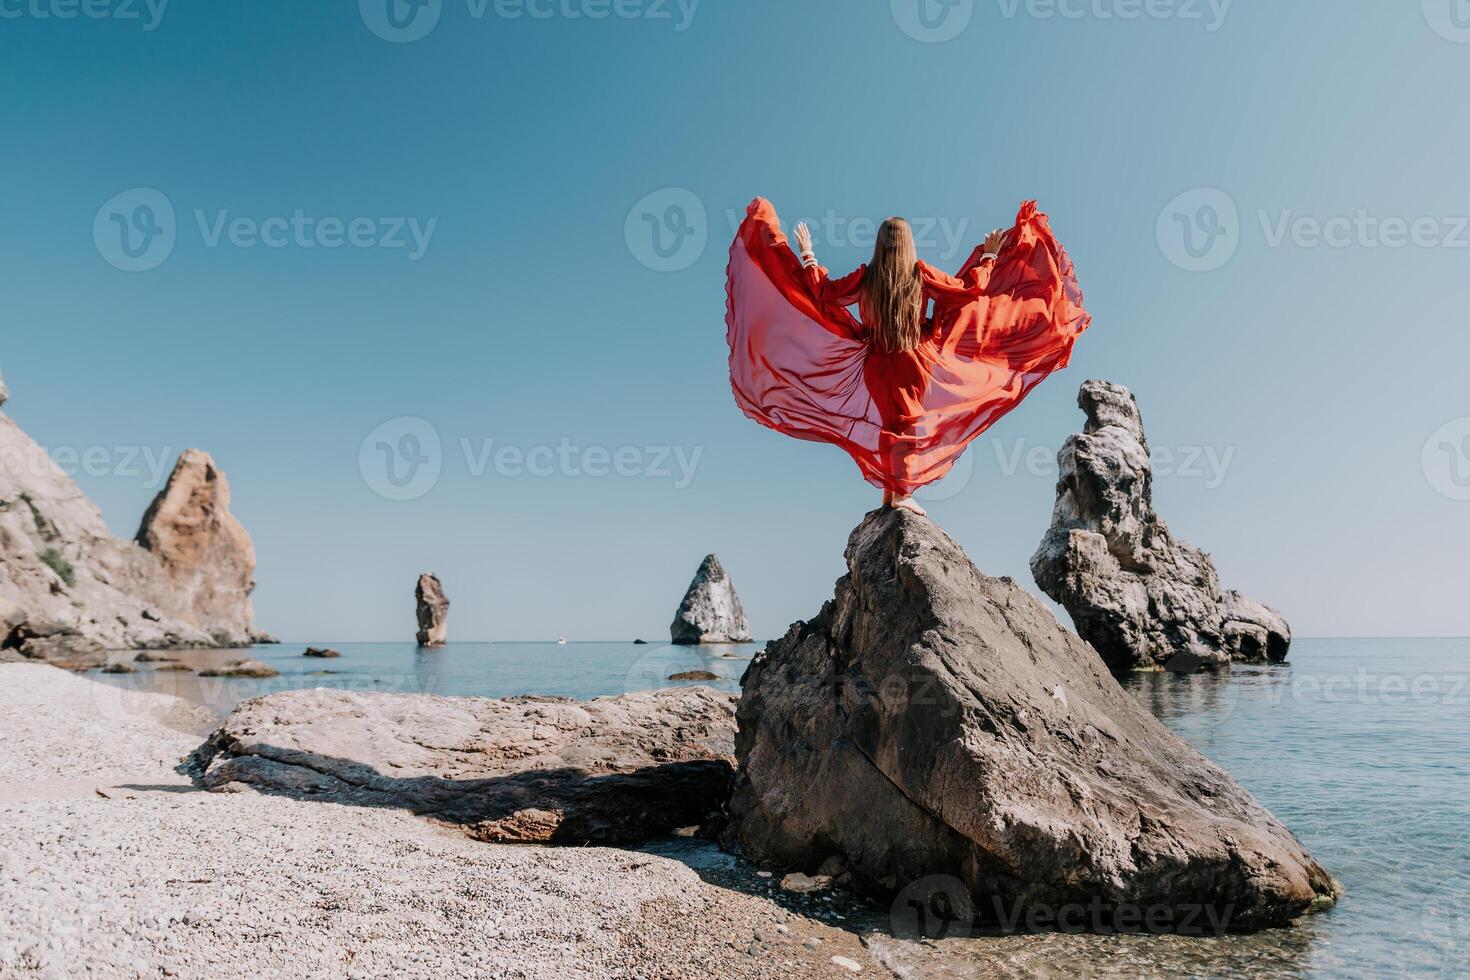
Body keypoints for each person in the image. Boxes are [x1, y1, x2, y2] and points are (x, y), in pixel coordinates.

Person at [726, 198, 1091, 516]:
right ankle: (899, 495)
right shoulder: (919, 273)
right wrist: (991, 256)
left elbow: (825, 294)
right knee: (905, 424)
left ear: (880, 246)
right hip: (913, 359)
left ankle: (892, 492)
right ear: (907, 245)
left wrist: (808, 256)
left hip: (876, 361)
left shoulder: (867, 277)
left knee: (892, 423)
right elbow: (969, 290)